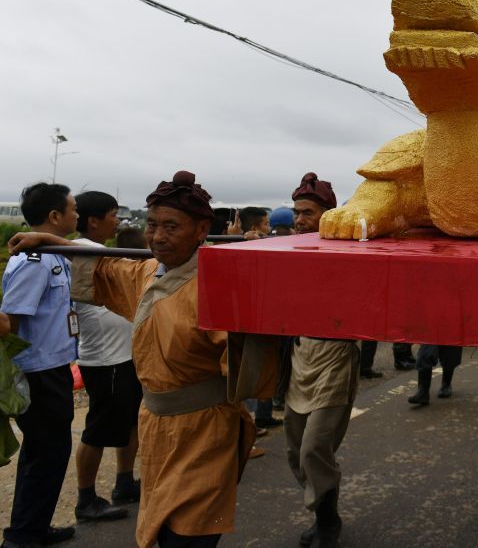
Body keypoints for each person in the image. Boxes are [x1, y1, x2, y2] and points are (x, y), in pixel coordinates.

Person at [9, 171, 276, 548]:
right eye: (152, 225)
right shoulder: (148, 272)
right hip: (156, 427)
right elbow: (100, 264)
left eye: (171, 226)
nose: (157, 236)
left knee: (189, 535)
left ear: (202, 229)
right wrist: (50, 241)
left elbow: (253, 365)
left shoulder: (220, 287)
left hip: (204, 433)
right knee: (162, 527)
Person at [1, 183, 79, 548]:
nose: (76, 215)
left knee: (48, 453)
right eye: (72, 209)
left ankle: (31, 527)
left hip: (53, 366)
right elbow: (9, 321)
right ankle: (23, 536)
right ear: (54, 216)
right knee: (46, 454)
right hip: (39, 372)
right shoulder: (36, 261)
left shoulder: (53, 254)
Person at [286, 172, 356, 548]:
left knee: (315, 447)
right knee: (295, 450)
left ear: (327, 216)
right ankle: (325, 515)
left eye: (308, 213)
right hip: (300, 355)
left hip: (336, 355)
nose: (299, 220)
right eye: (297, 213)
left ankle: (328, 523)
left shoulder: (350, 253)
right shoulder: (284, 251)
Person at [72, 191, 140, 524]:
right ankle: (86, 499)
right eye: (113, 214)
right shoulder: (88, 249)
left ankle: (125, 483)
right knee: (98, 430)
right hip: (105, 358)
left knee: (130, 422)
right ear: (94, 220)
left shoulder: (98, 250)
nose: (118, 220)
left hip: (123, 355)